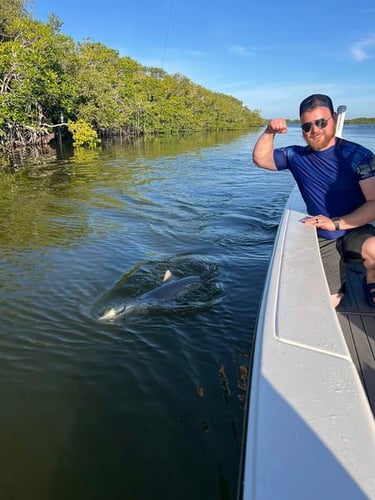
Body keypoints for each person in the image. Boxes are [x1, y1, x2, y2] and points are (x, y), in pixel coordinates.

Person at [252, 93, 375, 308]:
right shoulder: (295, 156)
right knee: (328, 303)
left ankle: (370, 280)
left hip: (355, 228)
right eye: (307, 126)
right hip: (323, 236)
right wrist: (270, 131)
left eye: (321, 122)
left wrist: (336, 222)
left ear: (334, 119)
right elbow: (261, 159)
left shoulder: (359, 156)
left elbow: (374, 203)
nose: (314, 130)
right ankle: (339, 286)